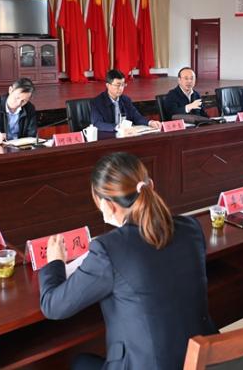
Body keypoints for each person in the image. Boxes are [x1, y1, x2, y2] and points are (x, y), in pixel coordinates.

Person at [39, 152, 216, 370]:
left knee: (80, 362)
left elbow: (53, 306)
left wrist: (55, 263)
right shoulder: (191, 228)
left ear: (107, 205)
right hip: (204, 361)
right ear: (150, 185)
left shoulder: (108, 249)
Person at [91, 70, 161, 132]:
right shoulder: (97, 102)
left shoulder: (125, 100)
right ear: (108, 85)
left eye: (123, 85)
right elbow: (97, 123)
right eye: (117, 85)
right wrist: (117, 127)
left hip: (125, 135)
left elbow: (136, 116)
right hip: (108, 136)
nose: (121, 88)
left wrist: (150, 122)